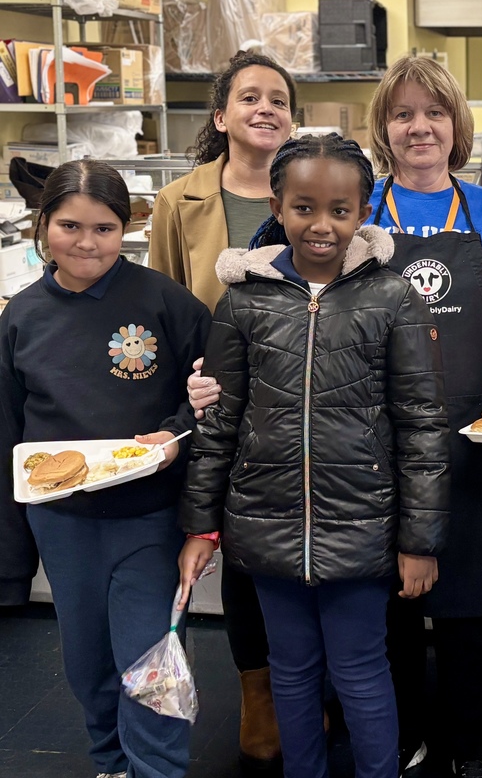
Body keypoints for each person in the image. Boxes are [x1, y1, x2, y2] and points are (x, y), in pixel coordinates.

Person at [177, 135, 450, 778]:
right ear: (278, 205)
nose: (321, 225)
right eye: (303, 207)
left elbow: (422, 427)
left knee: (359, 670)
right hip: (266, 524)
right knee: (291, 671)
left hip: (363, 528)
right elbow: (219, 420)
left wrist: (422, 540)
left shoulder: (392, 298)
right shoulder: (243, 299)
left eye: (339, 209)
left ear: (363, 212)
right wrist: (199, 524)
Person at [0, 160, 211, 778]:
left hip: (148, 517)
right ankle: (111, 763)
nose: (86, 242)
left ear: (127, 229)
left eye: (105, 227)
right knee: (86, 662)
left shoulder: (163, 301)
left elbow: (211, 396)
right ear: (43, 225)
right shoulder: (21, 316)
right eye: (69, 225)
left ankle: (158, 769)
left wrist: (175, 435)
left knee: (149, 659)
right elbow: (8, 428)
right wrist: (13, 565)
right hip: (60, 521)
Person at [367, 55, 482, 777]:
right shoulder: (362, 207)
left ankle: (472, 746)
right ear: (384, 127)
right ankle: (405, 735)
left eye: (434, 113)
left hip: (477, 441)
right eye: (404, 113)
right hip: (377, 441)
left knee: (473, 608)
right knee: (390, 612)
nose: (419, 127)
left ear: (456, 126)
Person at [149, 49, 295, 772]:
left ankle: (308, 689)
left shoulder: (311, 187)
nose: (265, 108)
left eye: (278, 98)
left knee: (306, 546)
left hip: (306, 400)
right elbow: (163, 312)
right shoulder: (180, 201)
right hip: (223, 408)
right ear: (222, 115)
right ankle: (261, 699)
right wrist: (185, 401)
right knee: (244, 555)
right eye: (249, 98)